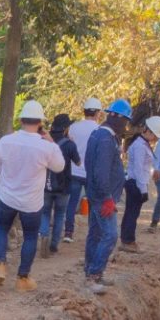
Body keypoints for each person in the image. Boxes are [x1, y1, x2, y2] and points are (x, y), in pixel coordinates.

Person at [0, 100, 65, 290]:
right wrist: (52, 143)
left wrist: (8, 178)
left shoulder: (6, 141)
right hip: (31, 202)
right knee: (30, 236)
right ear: (40, 123)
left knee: (1, 229)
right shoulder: (46, 147)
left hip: (7, 197)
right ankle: (22, 278)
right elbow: (59, 166)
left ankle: (0, 265)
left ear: (21, 120)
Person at [81, 99, 129, 294]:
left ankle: (91, 273)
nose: (125, 125)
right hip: (102, 197)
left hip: (96, 193)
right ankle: (94, 275)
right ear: (117, 117)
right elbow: (101, 172)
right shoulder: (106, 140)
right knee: (110, 235)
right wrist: (107, 197)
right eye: (125, 120)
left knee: (96, 233)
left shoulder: (98, 134)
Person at [39, 113, 82, 257]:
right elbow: (78, 163)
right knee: (59, 214)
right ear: (65, 128)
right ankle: (53, 245)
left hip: (45, 184)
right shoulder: (69, 144)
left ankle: (44, 235)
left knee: (45, 213)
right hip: (64, 186)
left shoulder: (43, 140)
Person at [120, 116, 160, 251]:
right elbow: (139, 169)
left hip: (137, 182)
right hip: (135, 183)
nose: (156, 139)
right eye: (155, 135)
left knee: (132, 212)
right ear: (149, 131)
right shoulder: (140, 146)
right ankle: (128, 241)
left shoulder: (143, 144)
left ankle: (127, 240)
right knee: (132, 213)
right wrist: (143, 190)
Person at [63, 97, 103, 243]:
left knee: (72, 203)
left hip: (74, 170)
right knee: (93, 203)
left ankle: (68, 232)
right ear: (97, 113)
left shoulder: (73, 127)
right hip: (90, 172)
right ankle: (93, 233)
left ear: (84, 111)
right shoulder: (99, 130)